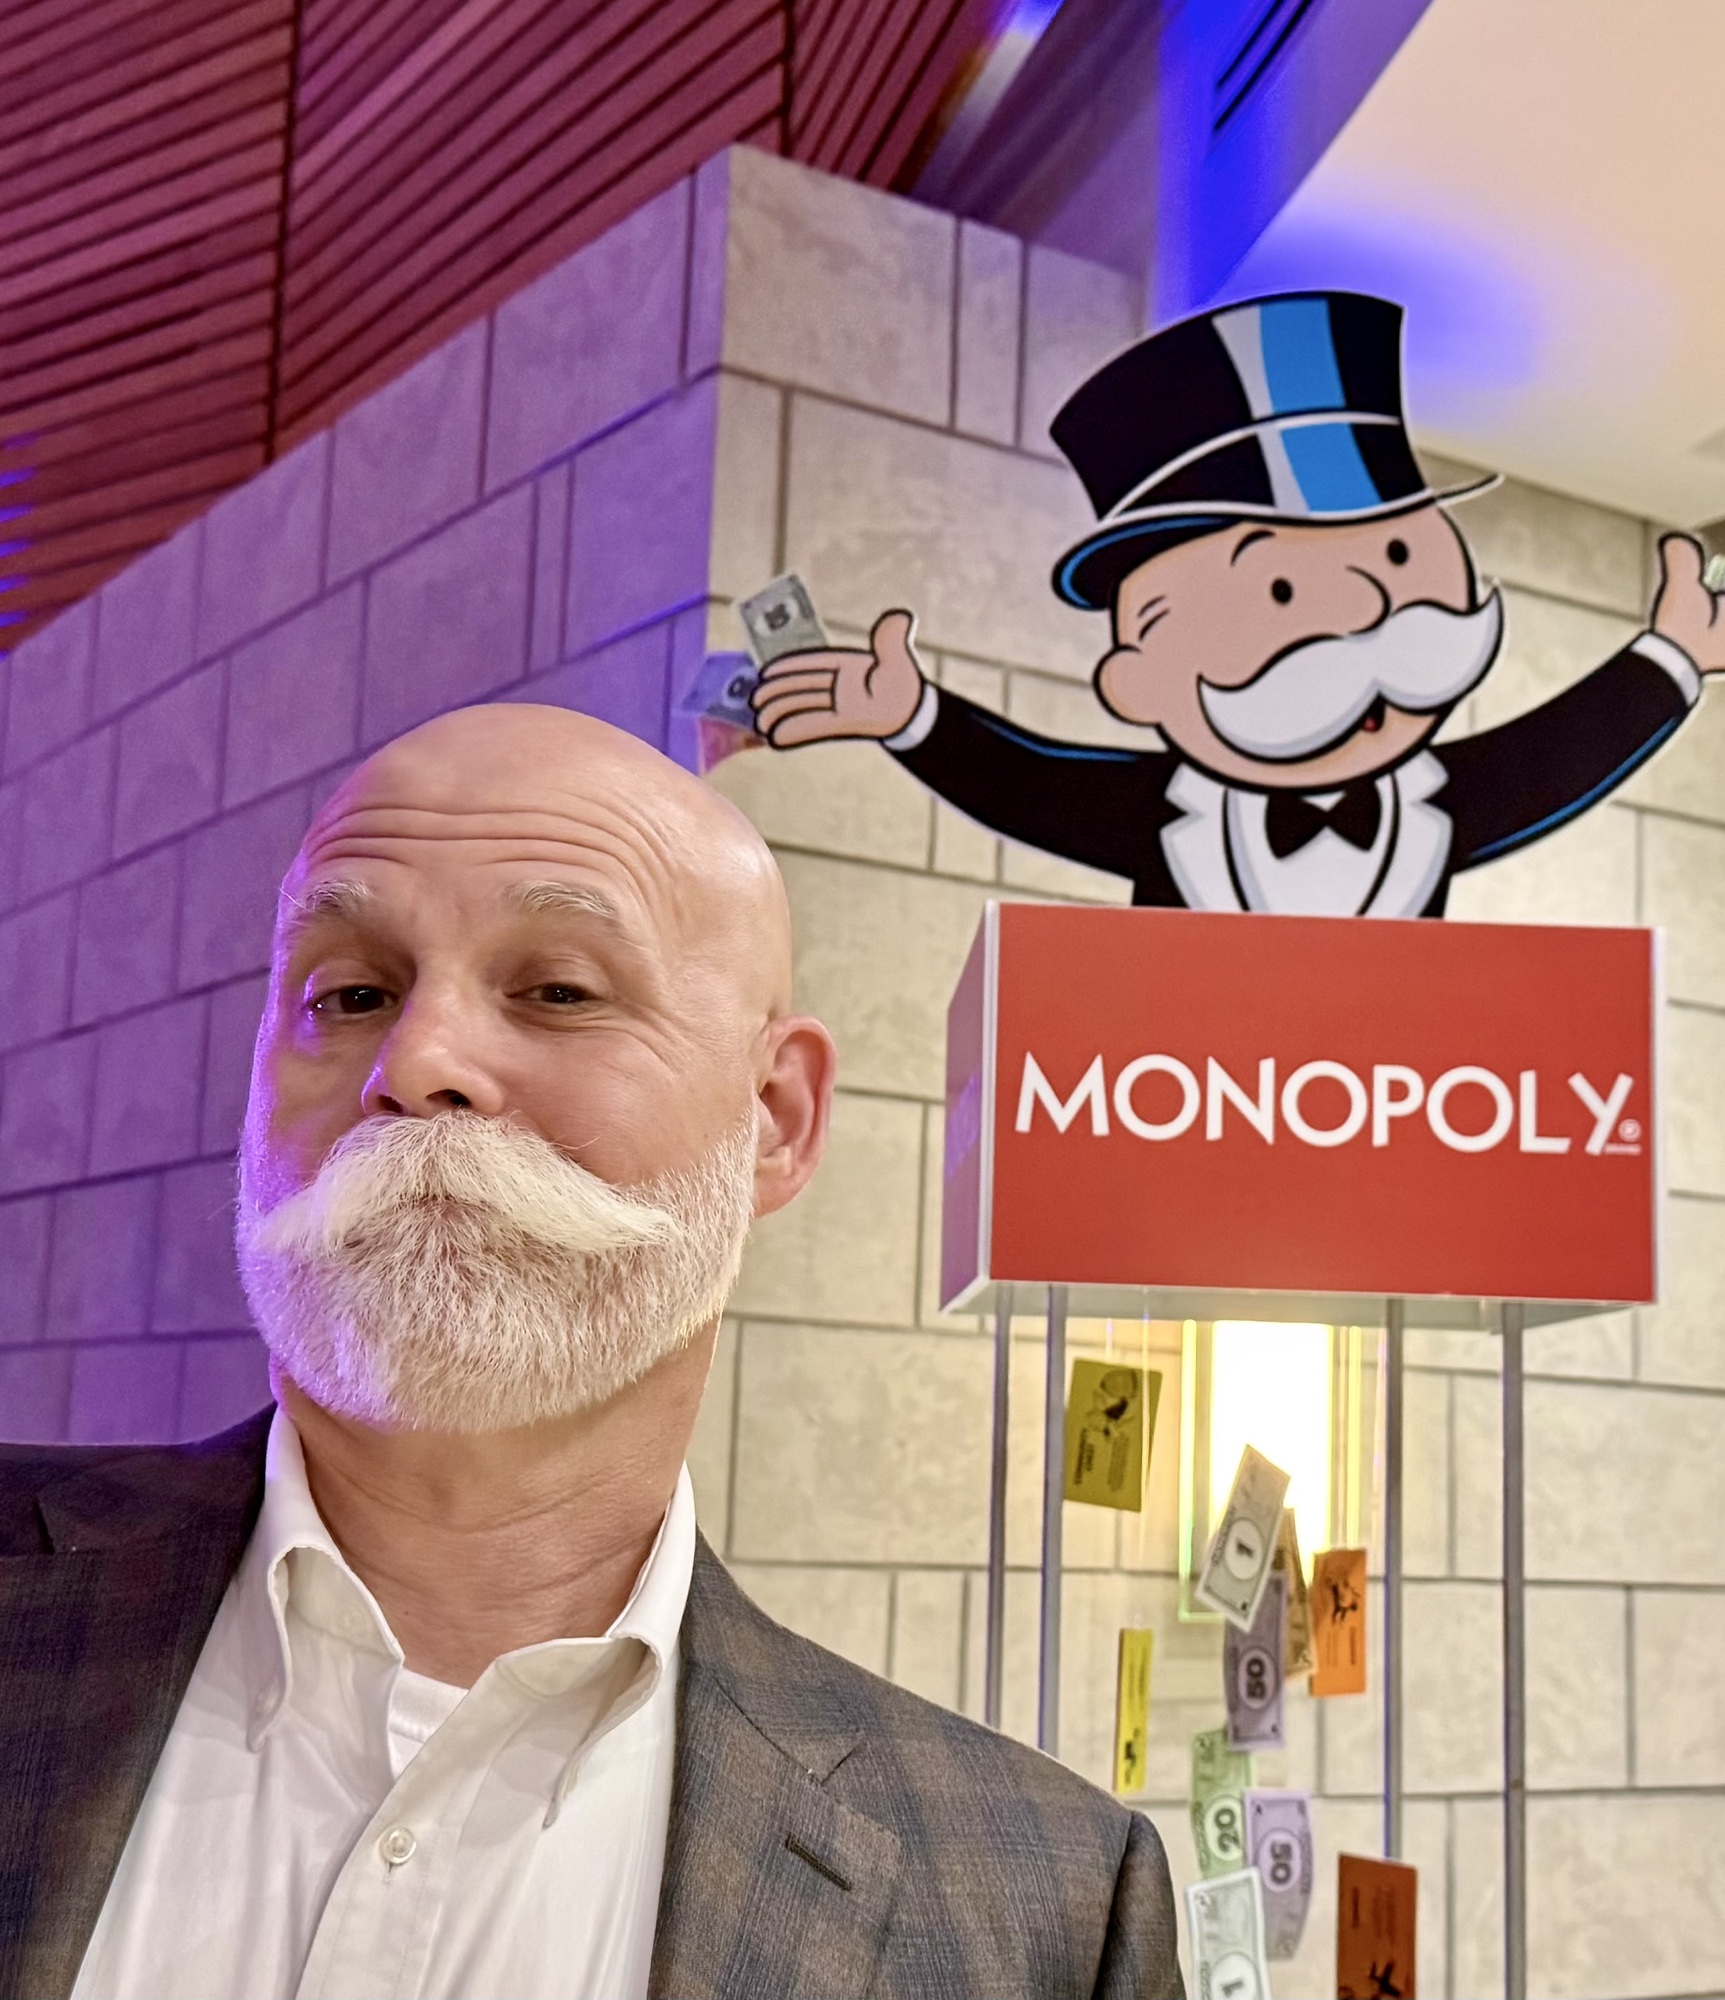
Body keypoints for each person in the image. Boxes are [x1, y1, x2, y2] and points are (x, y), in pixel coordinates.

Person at [0, 705, 1180, 2000]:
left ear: (775, 1118)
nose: (418, 1062)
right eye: (351, 994)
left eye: (559, 990)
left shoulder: (1043, 1916)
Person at [751, 291, 1725, 916]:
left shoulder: (1437, 806)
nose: (1361, 617)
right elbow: (1035, 785)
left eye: (1395, 559)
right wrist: (916, 720)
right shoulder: (1159, 817)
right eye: (1277, 588)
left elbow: (1550, 758)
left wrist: (1673, 657)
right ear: (1135, 673)